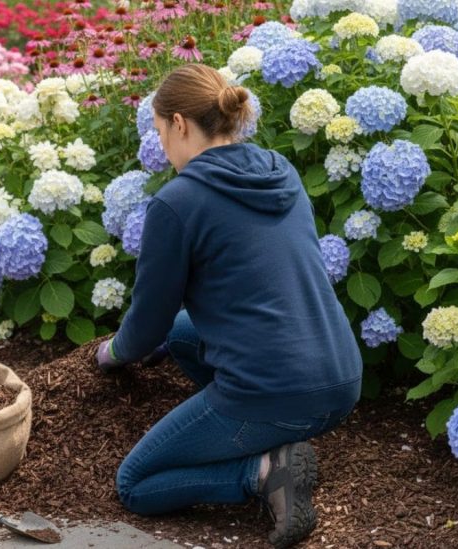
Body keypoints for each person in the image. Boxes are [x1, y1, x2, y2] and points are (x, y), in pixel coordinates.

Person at [95, 63, 362, 549]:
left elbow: (147, 325)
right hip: (341, 379)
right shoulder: (280, 171)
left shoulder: (178, 202)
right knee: (182, 333)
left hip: (275, 392)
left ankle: (261, 470)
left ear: (179, 124)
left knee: (134, 483)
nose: (161, 145)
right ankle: (267, 433)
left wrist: (112, 352)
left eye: (159, 131)